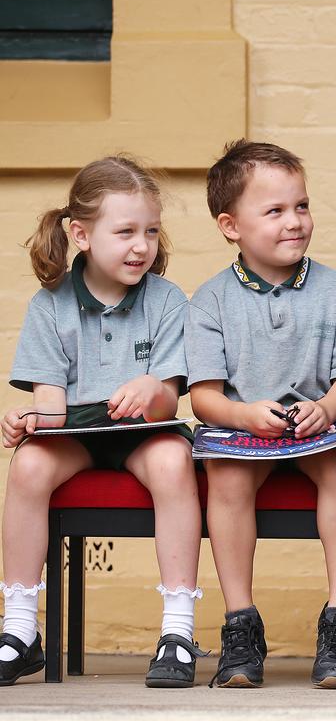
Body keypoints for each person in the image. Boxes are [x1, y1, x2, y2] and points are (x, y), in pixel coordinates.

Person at [1, 157, 202, 688]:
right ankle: (20, 629)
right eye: (126, 232)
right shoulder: (51, 305)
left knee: (174, 459)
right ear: (81, 234)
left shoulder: (165, 300)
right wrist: (27, 420)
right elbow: (51, 408)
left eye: (151, 231)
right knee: (26, 467)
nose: (142, 246)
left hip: (144, 432)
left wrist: (152, 389)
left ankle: (178, 629)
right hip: (78, 434)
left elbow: (169, 403)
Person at [186, 141, 336, 689]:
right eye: (275, 211)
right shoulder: (212, 300)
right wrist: (243, 415)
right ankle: (241, 627)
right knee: (227, 477)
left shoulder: (335, 290)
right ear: (230, 225)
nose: (295, 222)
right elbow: (205, 398)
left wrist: (327, 408)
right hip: (244, 425)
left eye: (302, 206)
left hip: (320, 422)